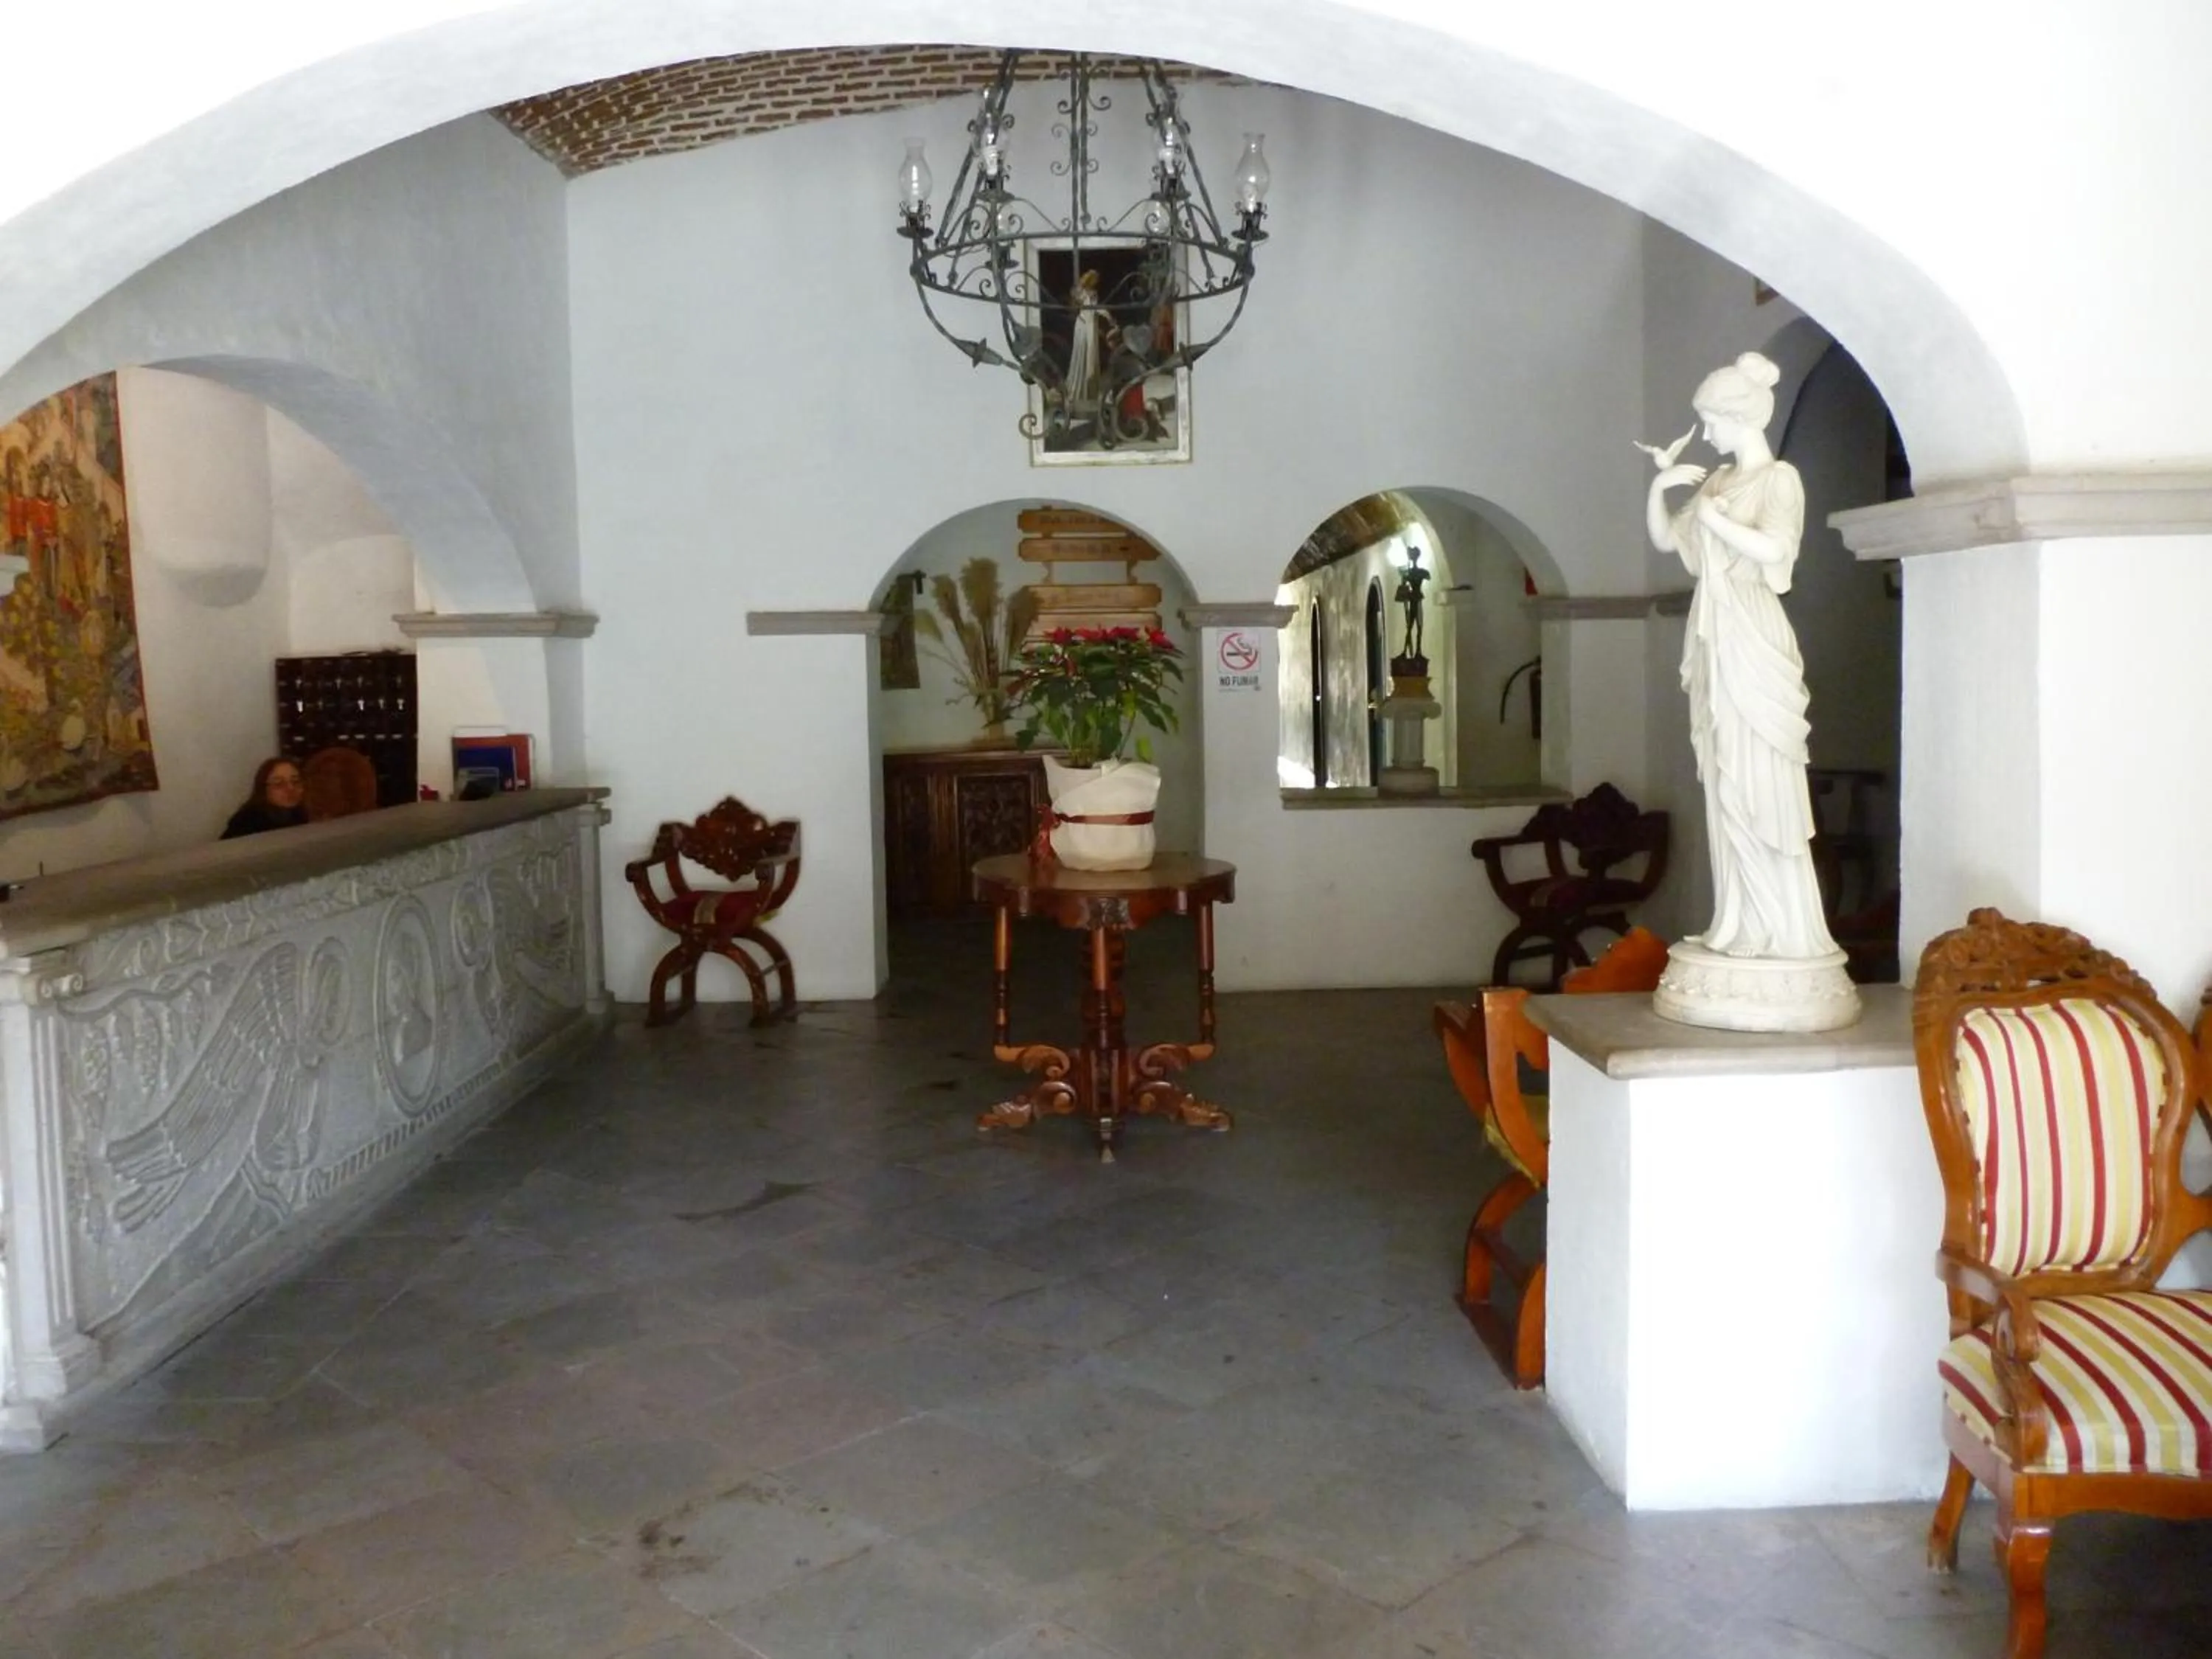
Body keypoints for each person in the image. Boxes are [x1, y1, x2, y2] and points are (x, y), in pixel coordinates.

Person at [1643, 350, 1838, 961]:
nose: (1706, 434)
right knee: (1725, 772)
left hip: (1752, 626)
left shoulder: (1780, 479)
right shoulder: (1718, 482)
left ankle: (1785, 932)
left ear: (1741, 415)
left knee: (1761, 776)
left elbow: (1777, 554)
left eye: (1711, 420)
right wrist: (1660, 487)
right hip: (1714, 631)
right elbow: (1667, 539)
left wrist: (1714, 521)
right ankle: (1739, 922)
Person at [222, 756, 307, 838]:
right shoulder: (247, 822)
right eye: (279, 784)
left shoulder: (308, 813)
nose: (290, 788)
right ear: (263, 789)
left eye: (296, 781)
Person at [1394, 548, 1430, 663]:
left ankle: (1417, 651)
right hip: (1415, 600)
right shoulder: (1411, 573)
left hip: (1416, 600)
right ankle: (1409, 651)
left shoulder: (1414, 573)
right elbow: (1402, 589)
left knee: (1416, 627)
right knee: (1411, 627)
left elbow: (1427, 577)